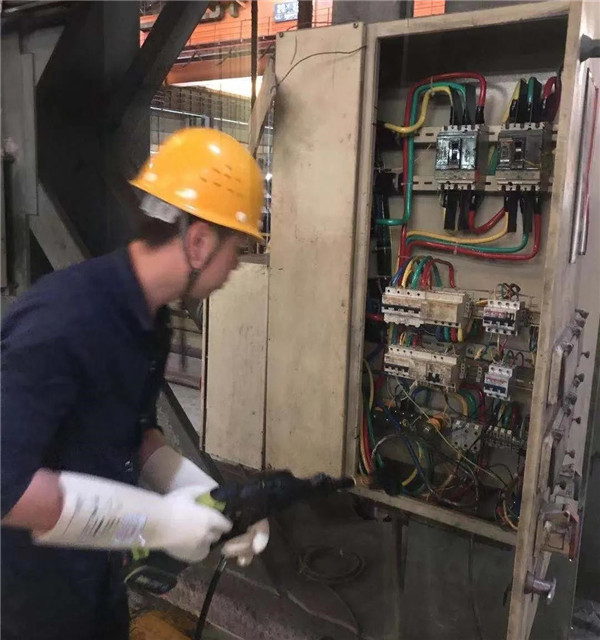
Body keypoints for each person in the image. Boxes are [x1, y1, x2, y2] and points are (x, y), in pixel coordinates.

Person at [1, 128, 269, 640]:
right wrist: (157, 522)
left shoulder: (151, 321)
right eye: (236, 250)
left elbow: (136, 430)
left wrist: (203, 494)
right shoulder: (62, 321)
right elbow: (7, 488)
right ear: (198, 242)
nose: (235, 268)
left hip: (100, 583)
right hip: (30, 604)